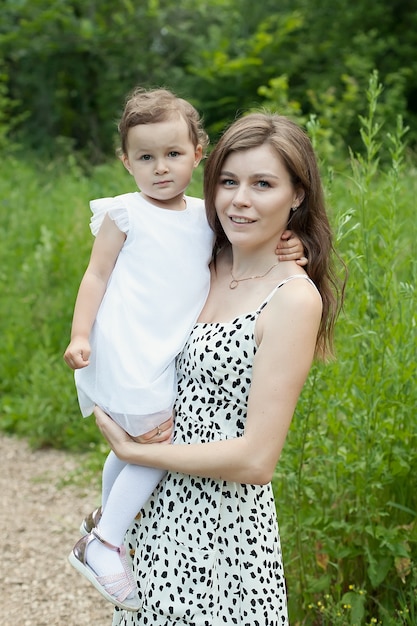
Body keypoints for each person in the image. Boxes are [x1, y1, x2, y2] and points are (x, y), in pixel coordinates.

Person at [94, 111, 345, 626]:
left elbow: (257, 460)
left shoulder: (293, 298)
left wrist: (135, 448)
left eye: (263, 184)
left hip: (221, 537)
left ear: (297, 195)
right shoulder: (201, 261)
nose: (240, 199)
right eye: (228, 182)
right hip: (152, 518)